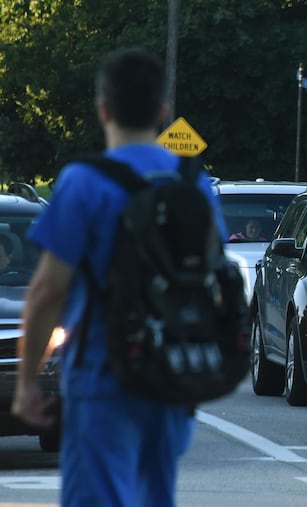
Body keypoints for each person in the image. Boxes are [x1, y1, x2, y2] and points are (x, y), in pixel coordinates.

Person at [11, 47, 227, 507]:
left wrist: (28, 380)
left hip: (101, 374)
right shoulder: (194, 183)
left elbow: (49, 290)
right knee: (154, 495)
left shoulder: (83, 182)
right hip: (171, 372)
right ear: (162, 111)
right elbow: (212, 268)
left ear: (103, 107)